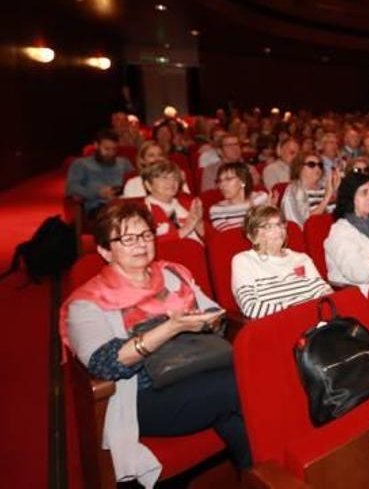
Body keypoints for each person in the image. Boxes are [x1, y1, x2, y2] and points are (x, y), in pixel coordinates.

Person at [61, 202, 251, 487]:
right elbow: (106, 363)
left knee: (239, 404)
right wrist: (170, 327)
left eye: (146, 235)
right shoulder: (87, 301)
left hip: (200, 366)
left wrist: (207, 320)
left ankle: (261, 475)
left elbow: (216, 316)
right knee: (242, 386)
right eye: (128, 238)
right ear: (104, 250)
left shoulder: (173, 273)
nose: (141, 244)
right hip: (141, 395)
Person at [232, 205, 332, 319]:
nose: (279, 230)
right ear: (251, 236)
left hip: (316, 321)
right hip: (278, 327)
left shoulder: (301, 259)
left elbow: (325, 292)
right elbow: (251, 307)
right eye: (268, 226)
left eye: (280, 224)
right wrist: (296, 312)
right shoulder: (244, 261)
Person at [66, 129, 134, 216]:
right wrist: (98, 193)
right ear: (96, 145)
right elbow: (72, 188)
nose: (111, 153)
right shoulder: (81, 164)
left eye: (114, 149)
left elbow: (135, 181)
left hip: (124, 203)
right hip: (98, 206)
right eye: (107, 149)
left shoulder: (123, 163)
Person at [141, 161, 203, 243]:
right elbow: (150, 243)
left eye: (174, 177)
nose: (171, 182)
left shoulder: (188, 204)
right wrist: (187, 228)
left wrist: (199, 223)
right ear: (148, 185)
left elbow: (210, 238)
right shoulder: (142, 211)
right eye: (164, 178)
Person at [209, 162, 271, 232]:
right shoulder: (217, 210)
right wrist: (256, 218)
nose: (222, 185)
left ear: (243, 181)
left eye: (228, 179)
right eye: (220, 181)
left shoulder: (261, 198)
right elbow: (230, 234)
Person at [280, 155, 339, 227]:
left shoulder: (324, 186)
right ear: (299, 168)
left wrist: (335, 191)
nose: (317, 168)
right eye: (311, 164)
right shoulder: (294, 190)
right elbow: (305, 221)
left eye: (320, 165)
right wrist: (327, 197)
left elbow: (336, 214)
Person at [122, 141, 191, 198]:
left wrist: (181, 184)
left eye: (160, 155)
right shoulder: (133, 184)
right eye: (151, 155)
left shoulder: (175, 179)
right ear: (142, 160)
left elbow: (186, 203)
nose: (157, 159)